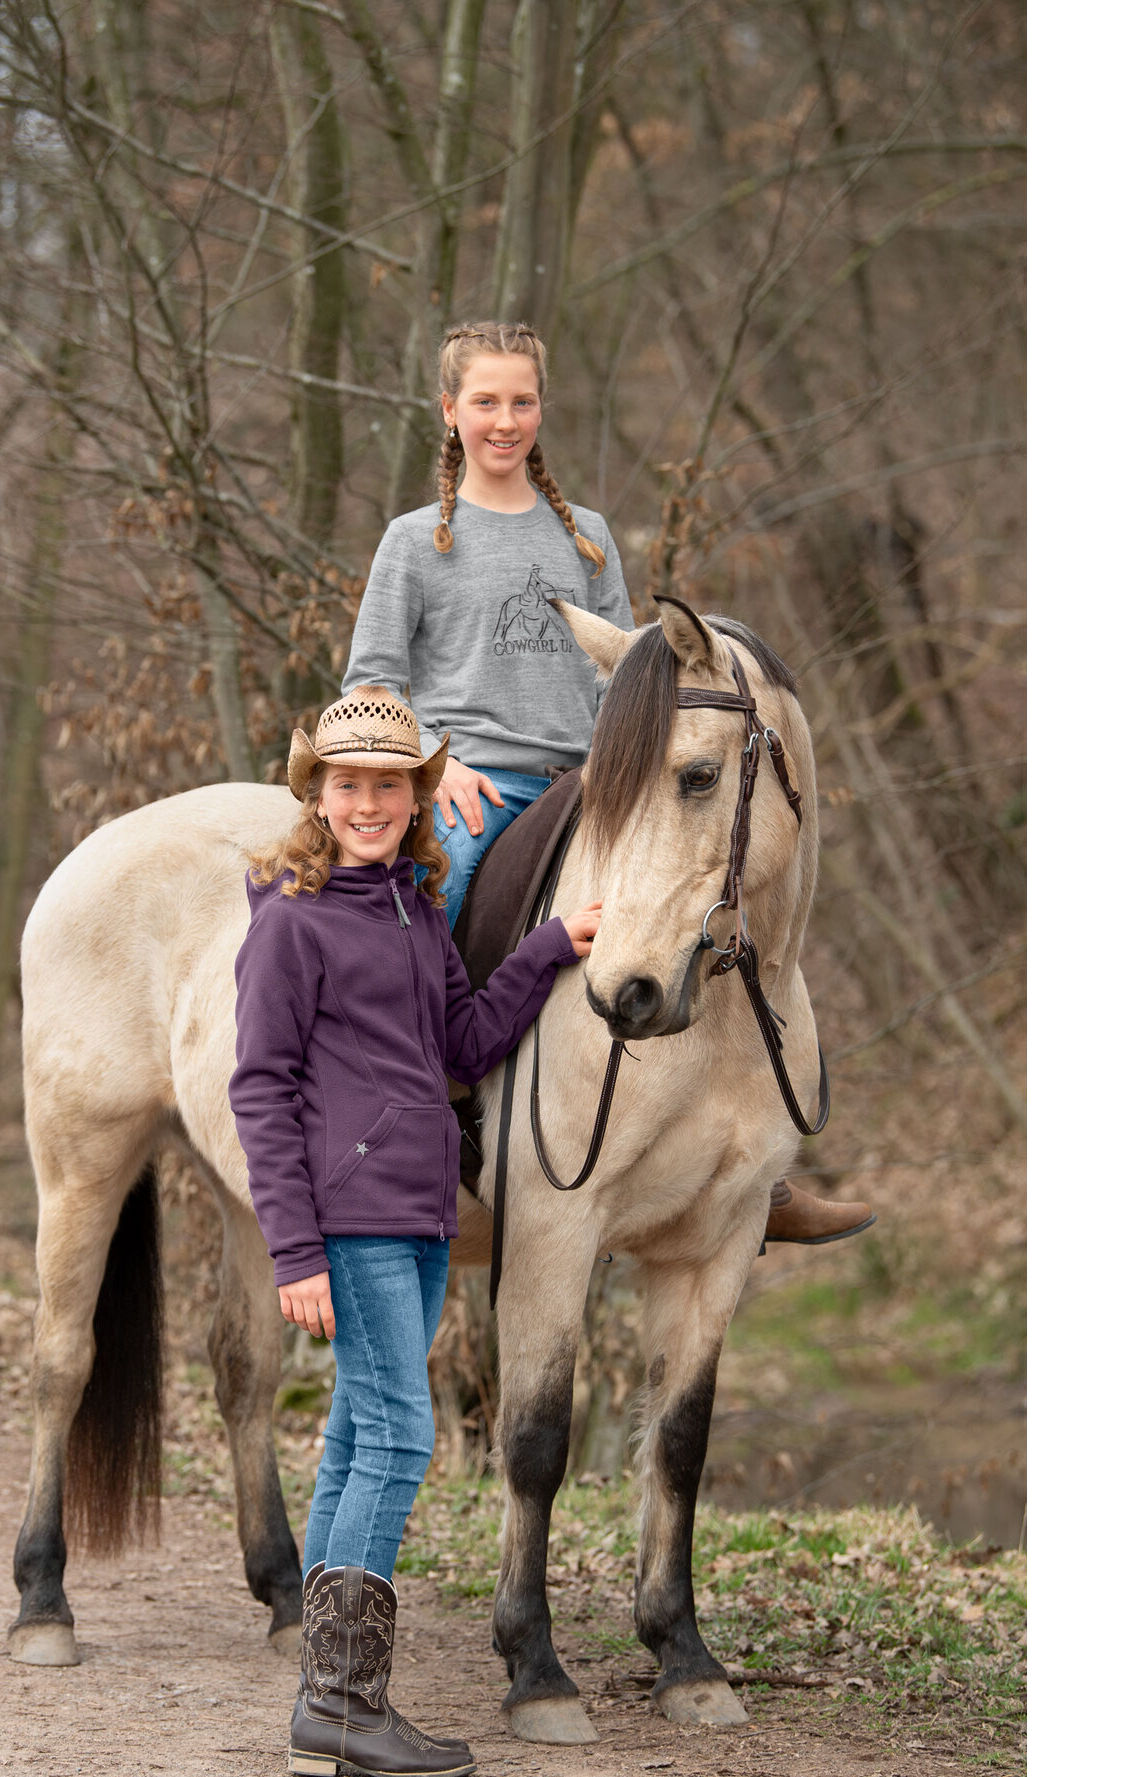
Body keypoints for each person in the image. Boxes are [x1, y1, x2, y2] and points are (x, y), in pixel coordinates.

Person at [344, 318, 874, 1250]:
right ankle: (421, 1113)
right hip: (474, 788)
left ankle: (753, 1165)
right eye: (485, 402)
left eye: (522, 402)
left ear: (541, 409)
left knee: (708, 916)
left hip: (595, 783)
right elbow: (372, 681)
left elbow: (633, 677)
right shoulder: (415, 541)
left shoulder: (585, 539)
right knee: (432, 903)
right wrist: (438, 760)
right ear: (449, 412)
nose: (505, 421)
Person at [229, 685, 603, 1777]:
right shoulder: (289, 919)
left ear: (416, 795)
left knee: (357, 1435)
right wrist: (292, 1251)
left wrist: (543, 949)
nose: (368, 802)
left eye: (388, 785)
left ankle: (328, 1708)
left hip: (422, 1207)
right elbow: (259, 1088)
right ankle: (342, 1706)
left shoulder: (413, 907)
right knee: (399, 1438)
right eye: (347, 784)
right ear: (317, 794)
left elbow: (463, 1043)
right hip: (348, 1219)